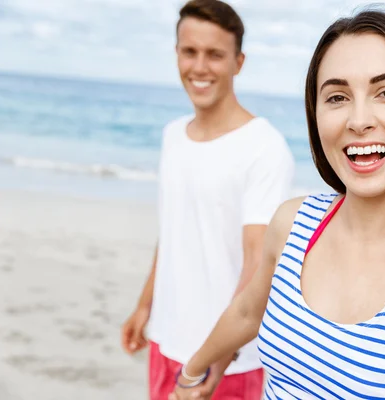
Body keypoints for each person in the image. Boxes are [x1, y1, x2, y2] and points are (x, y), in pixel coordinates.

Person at [170, 7, 385, 400]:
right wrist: (192, 373)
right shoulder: (292, 223)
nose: (358, 120)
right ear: (316, 115)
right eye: (337, 97)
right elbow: (246, 312)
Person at [120, 1, 295, 399]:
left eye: (215, 54)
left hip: (227, 360)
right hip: (166, 342)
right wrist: (145, 306)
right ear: (177, 54)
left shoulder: (263, 148)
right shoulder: (173, 135)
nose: (200, 67)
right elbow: (173, 232)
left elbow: (257, 263)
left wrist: (218, 359)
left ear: (238, 62)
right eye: (189, 51)